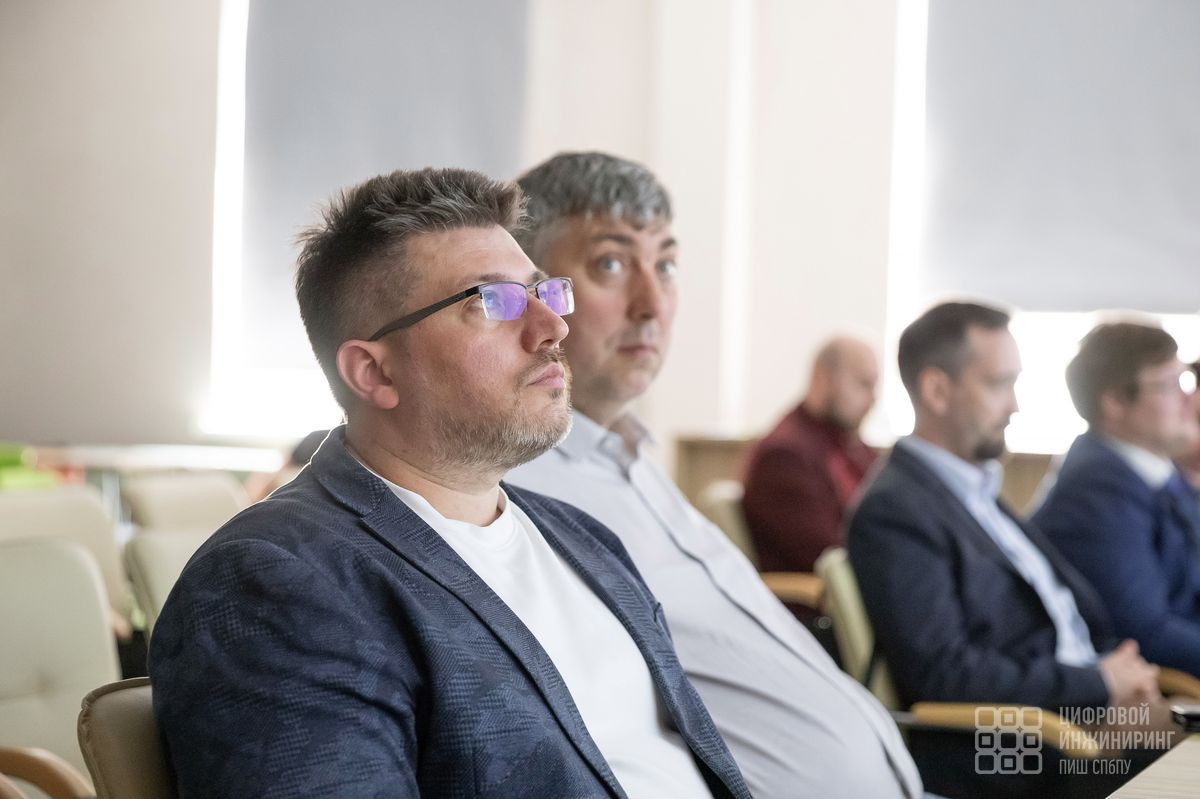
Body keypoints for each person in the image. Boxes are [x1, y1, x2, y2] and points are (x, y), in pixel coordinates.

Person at [149, 167, 750, 798]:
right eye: (493, 302)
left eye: (543, 292)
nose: (553, 327)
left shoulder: (583, 539)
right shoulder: (279, 584)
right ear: (375, 372)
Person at [506, 151, 922, 799]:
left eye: (666, 266)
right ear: (532, 291)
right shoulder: (518, 497)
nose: (652, 304)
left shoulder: (632, 459)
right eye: (610, 263)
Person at [847, 302, 1164, 712]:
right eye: (999, 384)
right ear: (937, 391)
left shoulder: (974, 490)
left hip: (1091, 703)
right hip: (1028, 735)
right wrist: (1097, 682)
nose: (1014, 406)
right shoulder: (896, 511)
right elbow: (944, 674)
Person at [1033, 322, 1200, 678]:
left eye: (1184, 381)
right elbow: (1147, 635)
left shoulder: (1158, 474)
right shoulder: (1095, 493)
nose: (1189, 399)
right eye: (1170, 385)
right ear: (1115, 402)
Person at [742, 336, 880, 572]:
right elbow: (830, 555)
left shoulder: (848, 445)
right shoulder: (785, 457)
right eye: (863, 384)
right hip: (819, 594)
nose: (873, 399)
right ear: (821, 378)